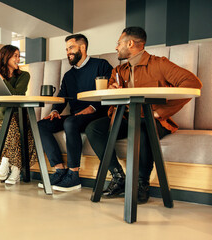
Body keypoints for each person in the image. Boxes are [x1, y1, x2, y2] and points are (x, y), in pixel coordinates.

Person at [85, 26, 202, 203]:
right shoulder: (118, 71)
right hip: (125, 119)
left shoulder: (159, 64)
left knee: (142, 126)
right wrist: (112, 92)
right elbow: (108, 98)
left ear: (130, 43)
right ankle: (118, 177)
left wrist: (159, 112)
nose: (116, 47)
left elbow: (192, 84)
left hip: (152, 121)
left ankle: (141, 184)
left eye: (118, 43)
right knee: (94, 129)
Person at [37, 34, 113, 192]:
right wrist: (55, 111)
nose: (68, 52)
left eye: (71, 48)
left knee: (70, 122)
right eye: (66, 49)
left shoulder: (101, 65)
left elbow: (110, 92)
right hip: (77, 116)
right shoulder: (68, 75)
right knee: (41, 125)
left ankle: (74, 175)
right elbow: (62, 96)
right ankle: (59, 169)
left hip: (97, 114)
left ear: (83, 47)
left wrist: (93, 107)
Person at [0, 45, 37, 185]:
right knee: (6, 124)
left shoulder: (24, 75)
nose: (18, 59)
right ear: (6, 57)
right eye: (15, 56)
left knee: (11, 125)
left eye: (19, 56)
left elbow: (17, 94)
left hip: (19, 115)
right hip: (1, 115)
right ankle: (15, 168)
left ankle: (7, 163)